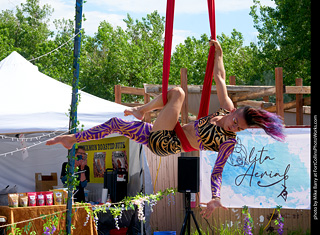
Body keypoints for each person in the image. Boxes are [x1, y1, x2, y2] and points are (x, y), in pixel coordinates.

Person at [46, 40, 285, 217]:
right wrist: (219, 55)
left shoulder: (228, 143)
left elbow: (217, 172)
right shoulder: (225, 108)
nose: (234, 127)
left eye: (239, 128)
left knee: (178, 93)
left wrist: (215, 198)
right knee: (116, 124)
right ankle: (73, 139)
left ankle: (142, 111)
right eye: (236, 121)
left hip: (167, 143)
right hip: (165, 130)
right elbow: (220, 78)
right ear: (234, 111)